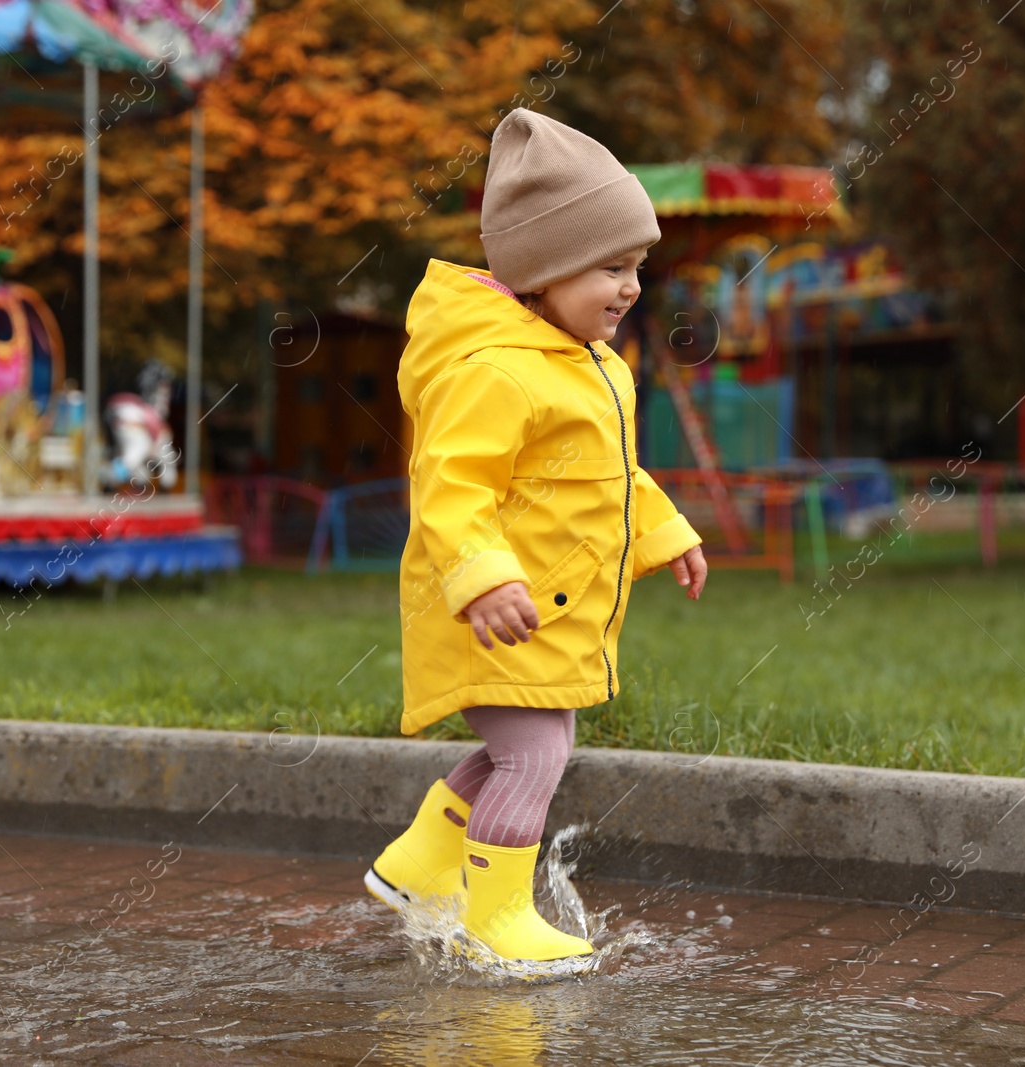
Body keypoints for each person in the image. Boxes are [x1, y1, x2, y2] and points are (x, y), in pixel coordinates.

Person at [364, 108, 708, 978]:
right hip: (495, 608)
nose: (629, 287)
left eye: (635, 265)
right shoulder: (495, 370)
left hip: (549, 608)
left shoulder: (592, 364)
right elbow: (450, 485)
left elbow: (616, 477)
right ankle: (498, 917)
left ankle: (419, 863)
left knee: (527, 747)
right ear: (541, 273)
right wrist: (480, 579)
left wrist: (667, 534)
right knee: (536, 755)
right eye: (608, 266)